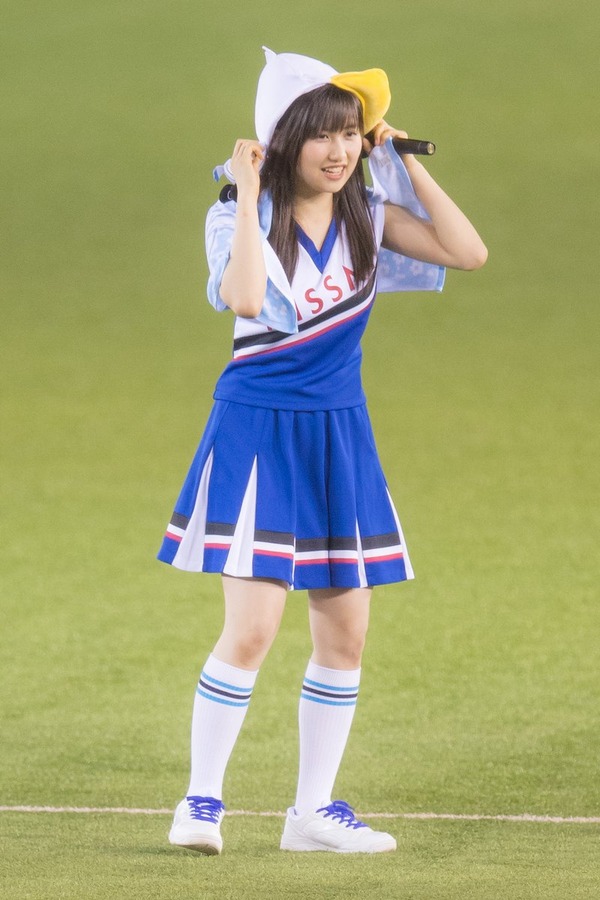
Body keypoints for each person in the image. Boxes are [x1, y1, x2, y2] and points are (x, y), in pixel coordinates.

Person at [158, 48, 487, 855]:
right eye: (323, 135)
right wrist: (246, 193)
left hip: (340, 433)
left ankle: (310, 813)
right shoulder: (236, 217)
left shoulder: (366, 212)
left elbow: (467, 251)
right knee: (253, 629)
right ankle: (200, 801)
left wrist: (404, 162)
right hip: (258, 431)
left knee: (346, 636)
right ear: (283, 140)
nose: (340, 151)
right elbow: (243, 297)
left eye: (351, 134)